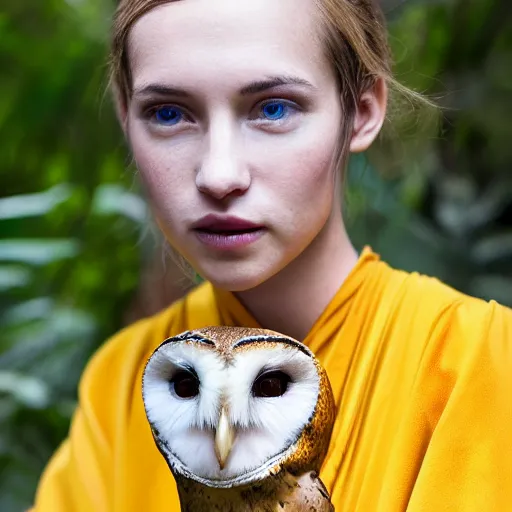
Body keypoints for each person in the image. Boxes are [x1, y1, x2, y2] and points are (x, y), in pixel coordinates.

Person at [31, 0, 512, 510]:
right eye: (168, 113)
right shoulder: (123, 378)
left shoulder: (477, 360)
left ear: (362, 113)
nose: (218, 175)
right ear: (127, 121)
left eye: (273, 108)